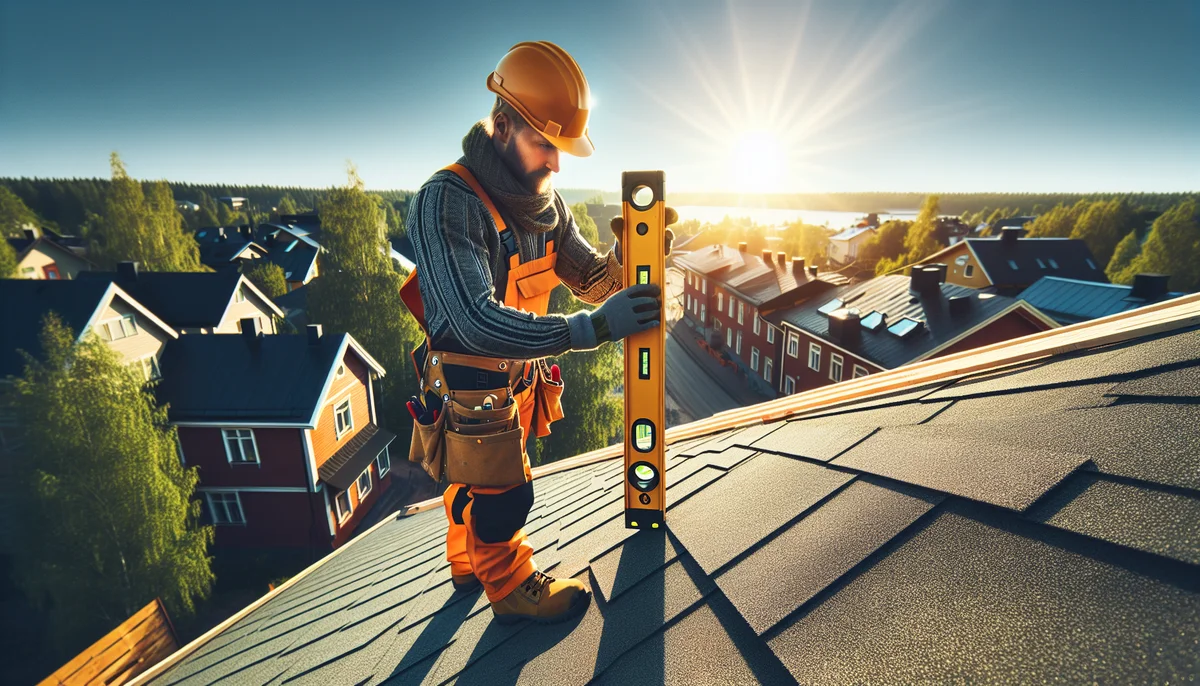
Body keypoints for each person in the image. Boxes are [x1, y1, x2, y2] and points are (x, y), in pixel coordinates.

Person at [404, 40, 676, 624]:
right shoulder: (447, 202)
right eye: (545, 144)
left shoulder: (545, 207)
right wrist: (592, 329)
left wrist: (628, 260)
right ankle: (508, 588)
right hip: (472, 389)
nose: (557, 163)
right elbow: (474, 321)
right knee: (505, 492)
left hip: (519, 383)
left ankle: (466, 561)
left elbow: (591, 281)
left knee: (477, 484)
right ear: (501, 126)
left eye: (562, 149)